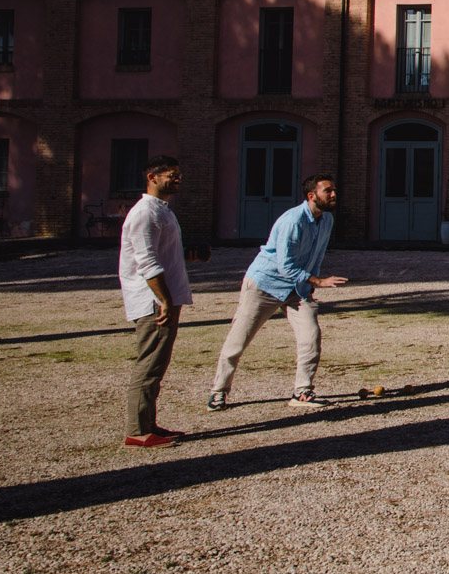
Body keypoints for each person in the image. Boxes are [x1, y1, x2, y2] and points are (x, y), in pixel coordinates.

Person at [209, 173, 348, 411]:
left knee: (310, 336)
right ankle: (218, 392)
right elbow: (285, 266)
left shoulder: (326, 220)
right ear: (311, 196)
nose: (334, 195)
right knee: (239, 340)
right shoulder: (292, 220)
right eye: (328, 191)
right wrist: (317, 280)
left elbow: (316, 256)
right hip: (265, 285)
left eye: (334, 190)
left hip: (297, 288)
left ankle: (302, 392)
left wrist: (310, 286)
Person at [119, 155, 193, 448]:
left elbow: (162, 253)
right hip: (154, 302)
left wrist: (192, 257)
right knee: (149, 365)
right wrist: (162, 299)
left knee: (157, 365)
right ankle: (137, 432)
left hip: (165, 299)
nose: (177, 179)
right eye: (171, 175)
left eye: (178, 175)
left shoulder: (162, 211)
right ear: (152, 176)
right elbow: (146, 262)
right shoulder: (144, 213)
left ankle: (148, 424)